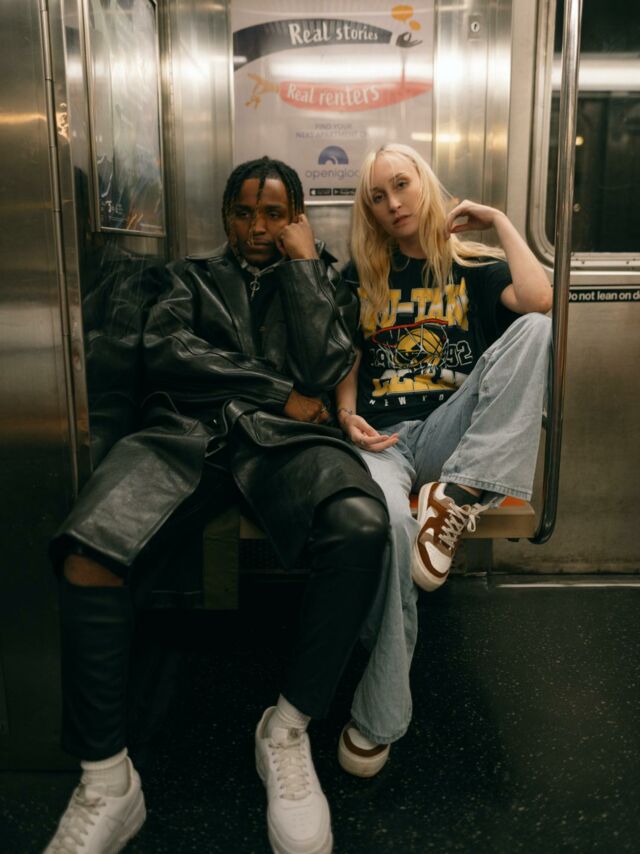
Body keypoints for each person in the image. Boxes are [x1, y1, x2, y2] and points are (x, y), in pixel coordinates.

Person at [45, 157, 389, 854]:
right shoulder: (186, 278)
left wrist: (303, 268)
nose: (257, 228)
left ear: (295, 217)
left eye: (274, 214)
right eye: (243, 212)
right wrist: (276, 390)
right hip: (186, 435)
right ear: (227, 215)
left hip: (286, 444)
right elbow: (170, 354)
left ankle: (286, 729)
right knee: (87, 550)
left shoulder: (325, 280)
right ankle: (107, 780)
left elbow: (325, 368)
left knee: (361, 524)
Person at [333, 143, 552, 777]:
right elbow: (347, 357)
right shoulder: (361, 275)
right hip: (383, 440)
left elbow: (539, 301)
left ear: (426, 184)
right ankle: (381, 714)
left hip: (450, 434)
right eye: (378, 196)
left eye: (402, 185)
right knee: (391, 528)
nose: (393, 203)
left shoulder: (472, 267)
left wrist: (499, 222)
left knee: (537, 330)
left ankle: (457, 494)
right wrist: (346, 415)